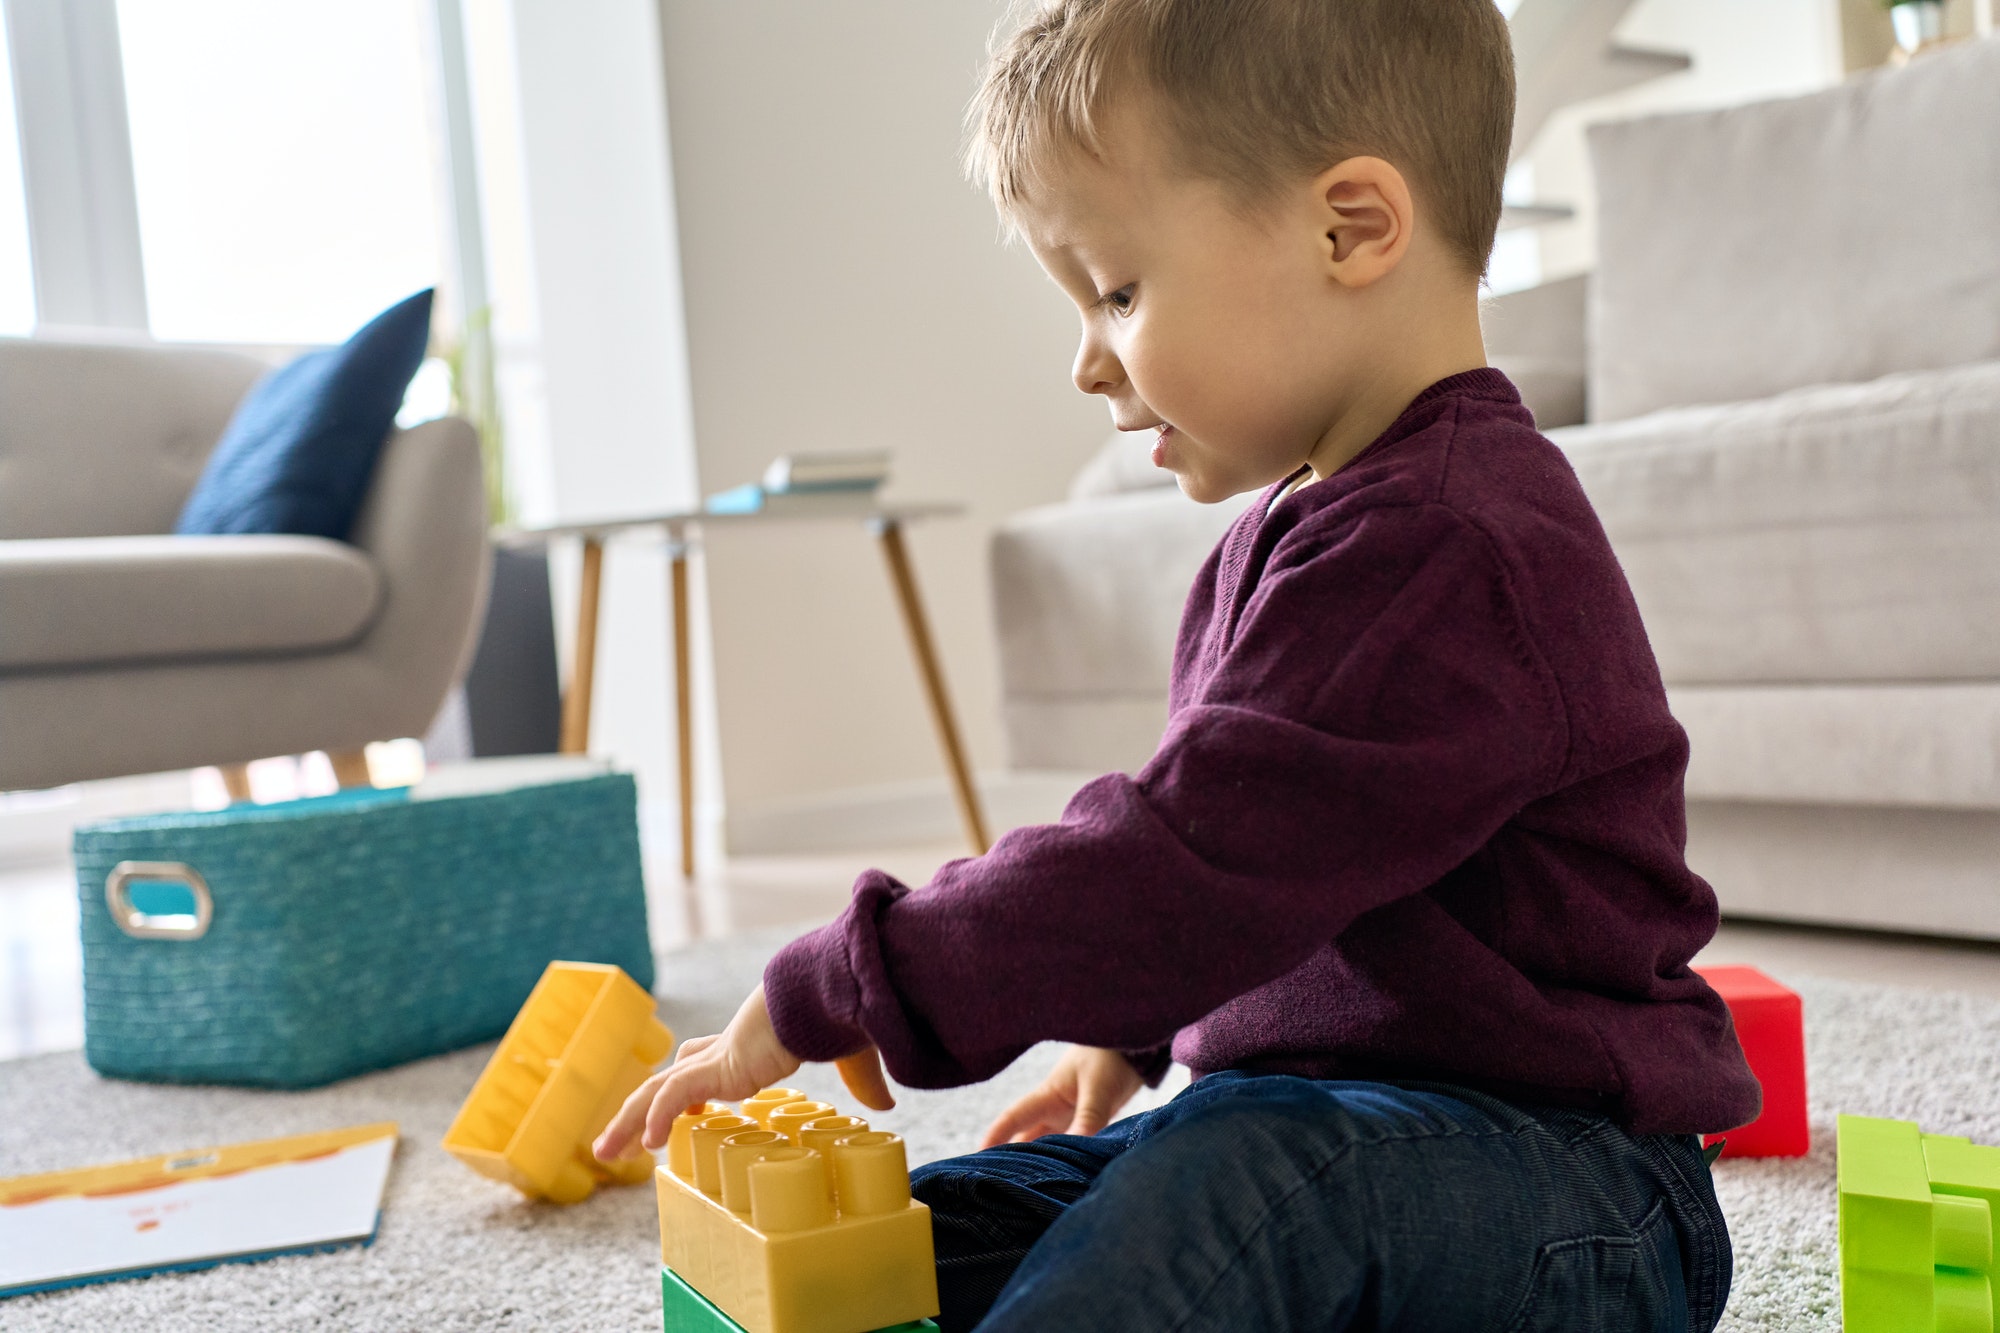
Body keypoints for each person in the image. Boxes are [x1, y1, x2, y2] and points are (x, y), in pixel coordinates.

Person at [597, 1, 1760, 1328]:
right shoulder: (1288, 541)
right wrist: (1133, 1026)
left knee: (1234, 1178)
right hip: (1332, 1133)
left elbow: (1173, 865)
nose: (1089, 361)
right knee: (942, 1230)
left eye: (1120, 290)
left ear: (1353, 229)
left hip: (1577, 1192)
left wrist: (841, 978)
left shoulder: (1451, 545)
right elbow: (1265, 873)